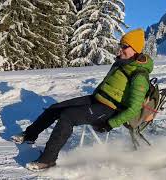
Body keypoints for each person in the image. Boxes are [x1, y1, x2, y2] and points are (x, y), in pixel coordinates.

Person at [11, 28, 154, 171]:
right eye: (120, 45)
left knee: (68, 116)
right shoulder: (123, 63)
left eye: (124, 46)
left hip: (110, 109)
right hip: (97, 99)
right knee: (56, 108)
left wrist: (110, 124)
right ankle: (29, 135)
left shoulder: (139, 74)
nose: (120, 49)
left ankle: (47, 160)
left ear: (135, 49)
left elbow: (134, 108)